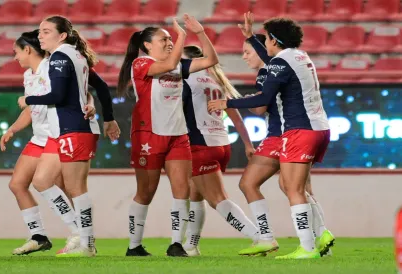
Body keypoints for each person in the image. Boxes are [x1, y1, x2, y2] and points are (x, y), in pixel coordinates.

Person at [208, 14, 331, 259]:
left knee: (292, 188)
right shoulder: (299, 56)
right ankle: (319, 236)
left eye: (265, 40)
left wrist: (226, 102)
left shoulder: (280, 63)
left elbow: (263, 101)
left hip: (298, 130)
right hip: (317, 128)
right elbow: (271, 62)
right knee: (289, 186)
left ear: (274, 40)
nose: (263, 46)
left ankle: (308, 247)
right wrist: (251, 37)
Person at [18, 16, 120, 257]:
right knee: (56, 184)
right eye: (40, 32)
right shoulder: (77, 55)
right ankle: (82, 238)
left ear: (62, 35)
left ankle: (87, 244)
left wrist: (28, 99)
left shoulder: (60, 57)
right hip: (69, 130)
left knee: (77, 189)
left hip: (73, 129)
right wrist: (109, 118)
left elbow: (58, 96)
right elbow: (102, 87)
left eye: (46, 31)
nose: (40, 35)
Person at [117, 14, 218, 257]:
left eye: (170, 38)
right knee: (146, 192)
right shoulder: (141, 64)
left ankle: (176, 244)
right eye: (163, 39)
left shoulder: (177, 65)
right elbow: (169, 64)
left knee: (181, 191)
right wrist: (182, 35)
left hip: (178, 135)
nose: (169, 41)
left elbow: (212, 59)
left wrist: (200, 33)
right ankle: (134, 246)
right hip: (148, 136)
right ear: (147, 46)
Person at [1, 29, 95, 255]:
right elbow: (32, 109)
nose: (15, 58)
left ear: (27, 49)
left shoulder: (52, 64)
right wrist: (12, 129)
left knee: (55, 184)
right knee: (17, 184)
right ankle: (39, 236)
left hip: (56, 134)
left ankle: (80, 235)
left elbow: (79, 89)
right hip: (40, 137)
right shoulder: (29, 76)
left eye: (16, 52)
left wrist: (90, 103)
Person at [179, 45, 263, 256]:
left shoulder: (186, 80)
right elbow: (235, 116)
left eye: (181, 59)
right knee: (195, 192)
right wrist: (247, 144)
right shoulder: (215, 79)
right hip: (221, 144)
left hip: (200, 143)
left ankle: (260, 237)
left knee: (218, 199)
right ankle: (190, 245)